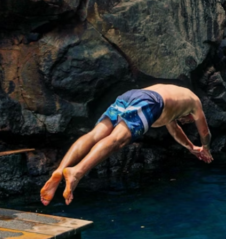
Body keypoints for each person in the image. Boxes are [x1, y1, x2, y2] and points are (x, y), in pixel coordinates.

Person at [41, 84, 213, 206]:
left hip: (130, 96)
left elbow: (174, 130)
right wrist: (206, 148)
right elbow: (205, 132)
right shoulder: (195, 103)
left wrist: (191, 147)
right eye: (188, 121)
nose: (185, 122)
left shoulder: (175, 100)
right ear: (192, 116)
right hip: (150, 102)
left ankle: (59, 170)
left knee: (94, 135)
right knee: (117, 140)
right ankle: (76, 172)